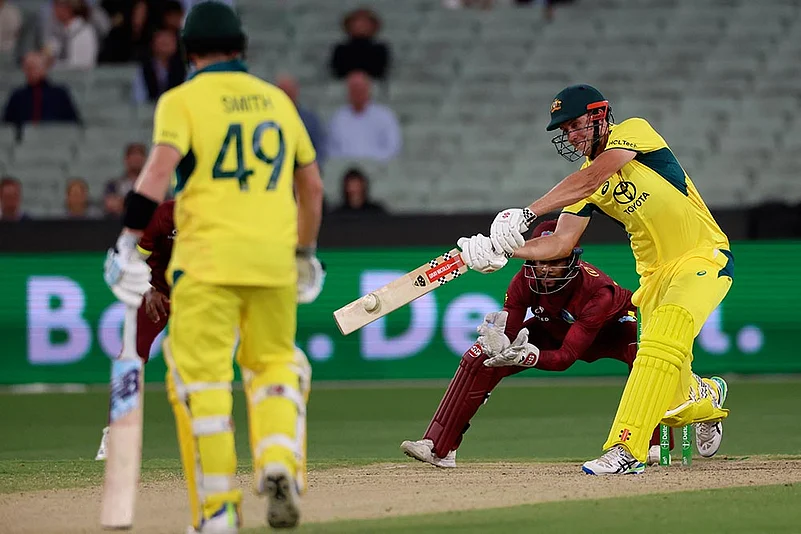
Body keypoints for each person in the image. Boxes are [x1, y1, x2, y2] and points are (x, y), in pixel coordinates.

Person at [101, 3, 324, 532]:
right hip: (272, 260)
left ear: (188, 53)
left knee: (199, 380)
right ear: (242, 49)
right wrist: (304, 253)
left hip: (205, 262)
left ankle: (218, 512)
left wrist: (127, 241)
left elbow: (157, 173)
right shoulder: (277, 101)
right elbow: (311, 187)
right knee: (273, 364)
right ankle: (277, 461)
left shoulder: (182, 99)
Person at [459, 84, 731, 475]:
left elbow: (590, 180)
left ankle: (627, 449)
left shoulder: (633, 133)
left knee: (656, 349)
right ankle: (707, 394)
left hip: (703, 256)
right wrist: (504, 250)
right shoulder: (583, 183)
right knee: (669, 392)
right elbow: (560, 243)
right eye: (564, 131)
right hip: (654, 279)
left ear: (601, 115)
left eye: (575, 125)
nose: (570, 135)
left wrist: (527, 212)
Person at [402, 220, 675, 468]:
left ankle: (657, 441)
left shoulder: (598, 292)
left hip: (612, 330)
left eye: (554, 260)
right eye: (540, 260)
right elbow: (508, 334)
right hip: (554, 328)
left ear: (572, 259)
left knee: (644, 356)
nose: (544, 269)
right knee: (479, 356)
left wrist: (531, 357)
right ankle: (439, 447)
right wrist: (498, 342)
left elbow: (566, 357)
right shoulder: (523, 280)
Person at [94, 199, 314, 480]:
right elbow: (138, 257)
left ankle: (276, 439)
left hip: (208, 297)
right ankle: (115, 437)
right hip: (162, 295)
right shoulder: (165, 214)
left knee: (256, 353)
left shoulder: (225, 212)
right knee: (131, 356)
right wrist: (148, 291)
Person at [327, 71, 402, 162]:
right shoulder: (338, 118)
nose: (358, 94)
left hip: (379, 169)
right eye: (354, 90)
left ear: (369, 90)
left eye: (361, 90)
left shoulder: (385, 116)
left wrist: (369, 162)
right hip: (347, 171)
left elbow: (392, 148)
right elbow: (331, 149)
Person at [2, 51, 81, 133]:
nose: (30, 72)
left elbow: (73, 124)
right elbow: (6, 126)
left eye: (34, 67)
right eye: (27, 68)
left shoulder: (60, 94)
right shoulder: (17, 96)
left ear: (44, 69)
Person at [276, 74, 326, 168]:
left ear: (296, 92)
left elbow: (320, 150)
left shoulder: (310, 120)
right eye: (283, 93)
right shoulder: (269, 121)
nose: (287, 98)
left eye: (289, 93)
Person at [329, 7, 390, 81]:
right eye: (356, 22)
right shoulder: (340, 49)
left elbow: (380, 71)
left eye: (365, 23)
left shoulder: (380, 49)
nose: (360, 26)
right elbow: (337, 72)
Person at [132, 28, 186, 104]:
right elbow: (139, 97)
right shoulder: (145, 68)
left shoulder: (184, 67)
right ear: (153, 44)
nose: (165, 44)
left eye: (169, 41)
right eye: (162, 41)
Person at [44, 0, 98, 69]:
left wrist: (52, 65)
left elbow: (81, 66)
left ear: (68, 8)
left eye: (56, 5)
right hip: (57, 77)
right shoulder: (59, 31)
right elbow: (49, 53)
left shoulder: (85, 31)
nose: (53, 9)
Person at [104, 142, 147, 217]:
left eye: (140, 154)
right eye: (133, 154)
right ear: (126, 159)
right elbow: (111, 205)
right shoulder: (114, 184)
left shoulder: (154, 184)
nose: (136, 158)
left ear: (145, 159)